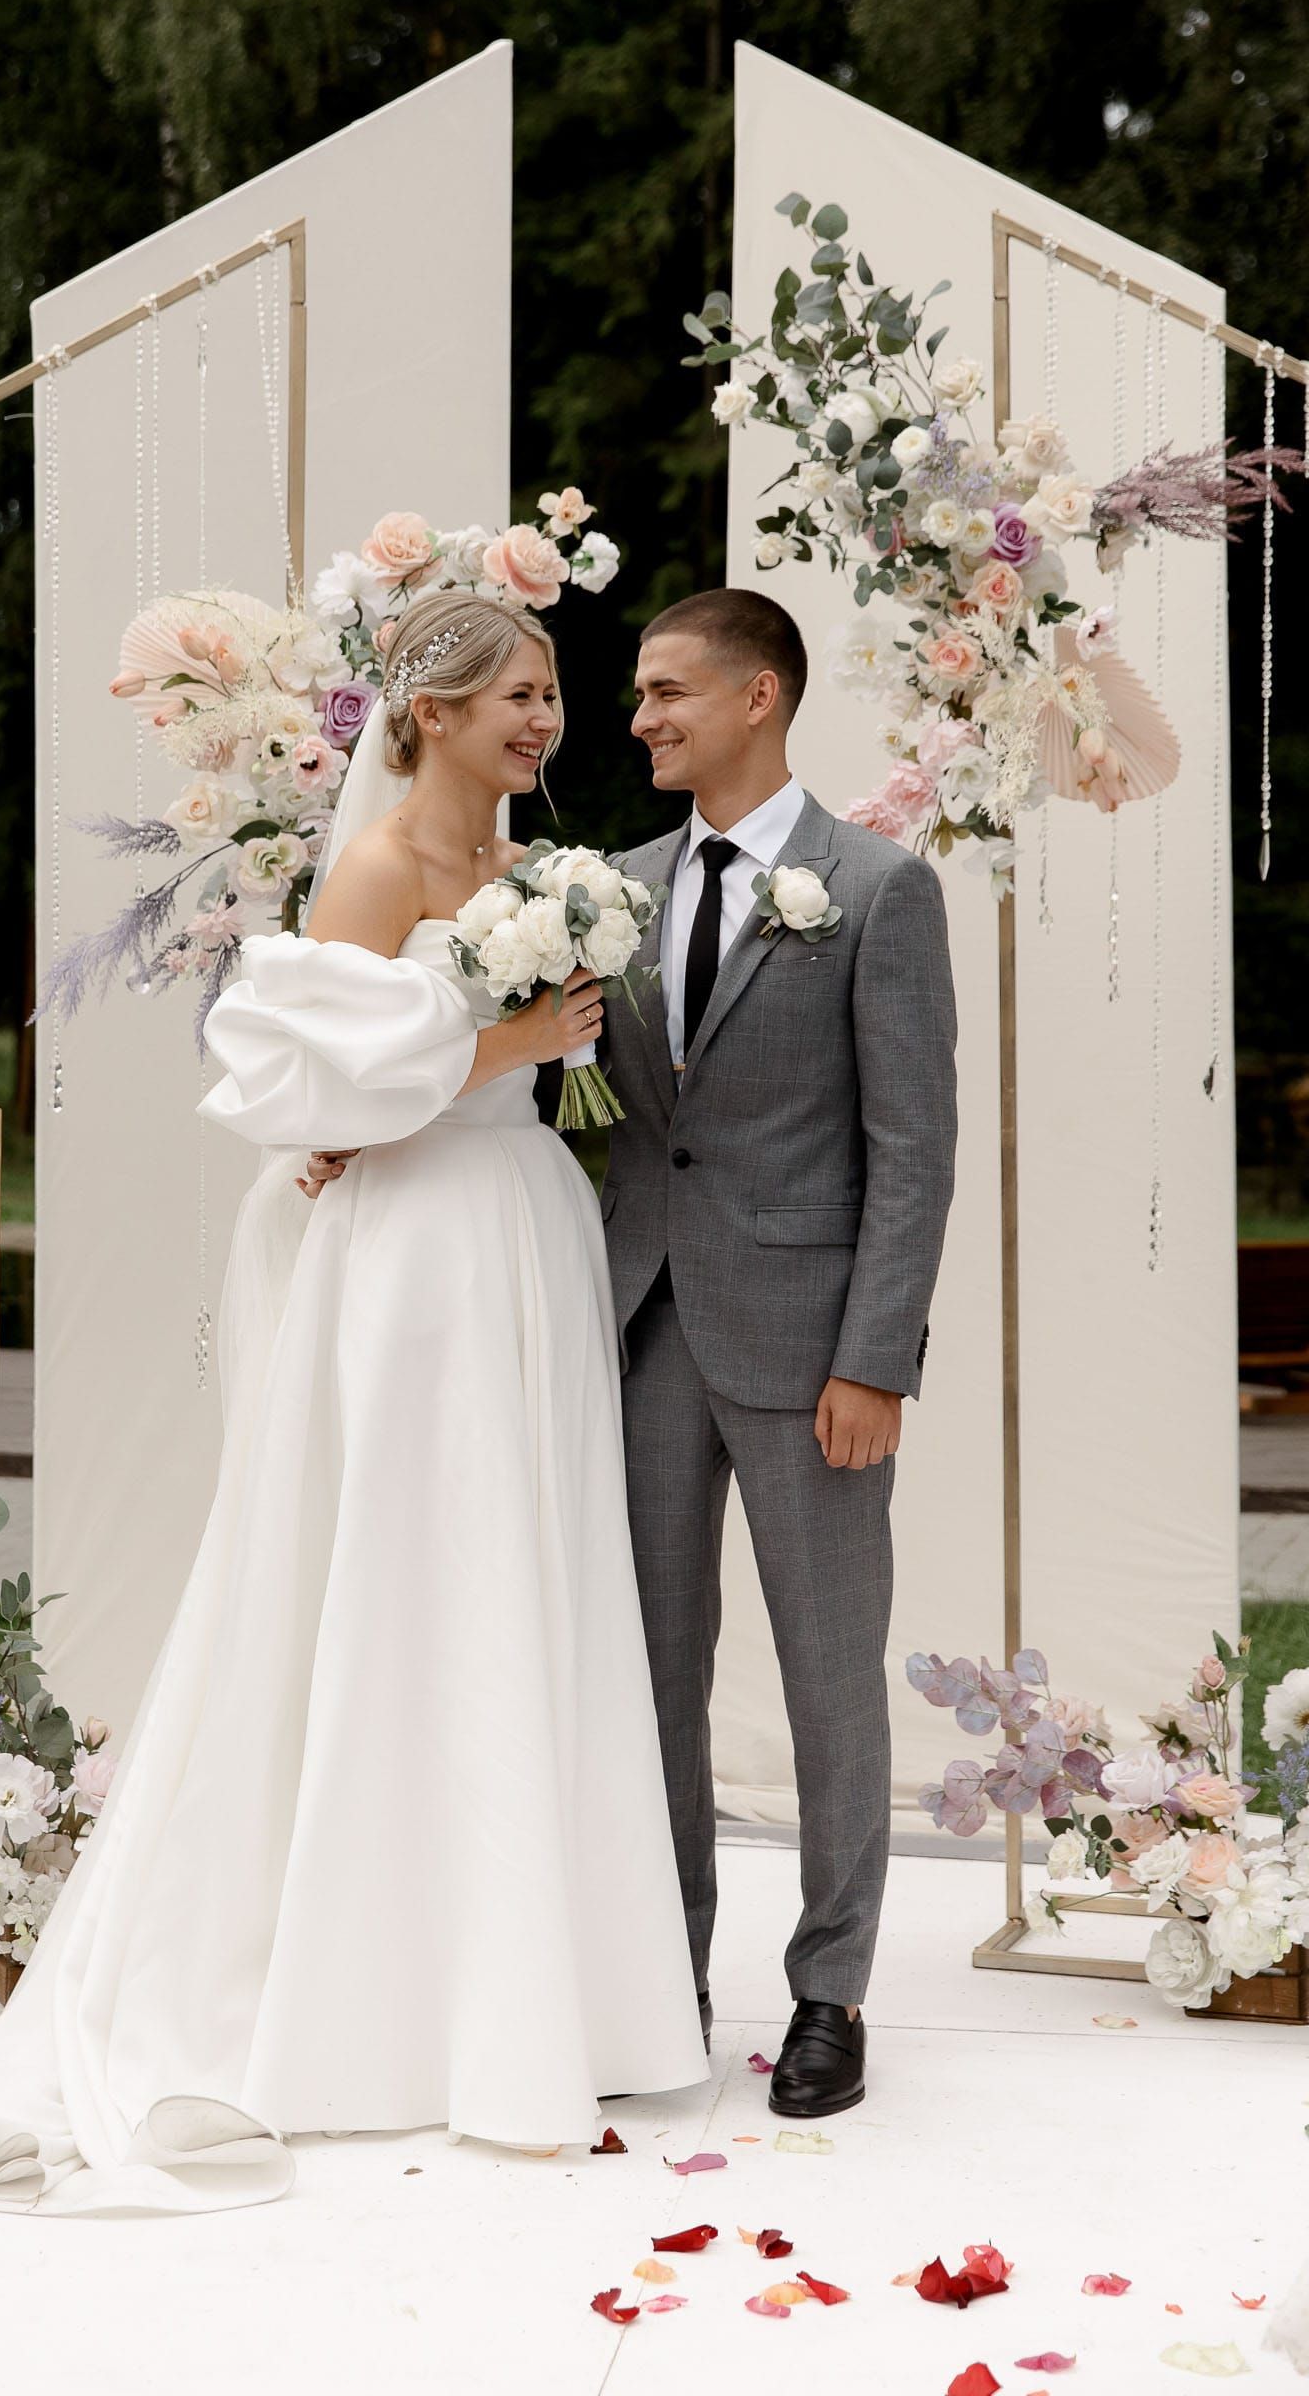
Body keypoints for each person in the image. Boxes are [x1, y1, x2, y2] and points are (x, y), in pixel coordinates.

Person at [0, 590, 708, 2216]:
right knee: (412, 1577)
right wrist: (509, 1047)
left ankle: (527, 1987)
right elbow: (318, 1080)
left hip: (526, 1233)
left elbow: (407, 1073)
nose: (545, 723)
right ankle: (368, 2002)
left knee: (525, 1579)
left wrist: (533, 1045)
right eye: (518, 697)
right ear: (428, 717)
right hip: (419, 1261)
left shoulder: (533, 876)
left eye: (554, 696)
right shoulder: (376, 869)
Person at [601, 586, 958, 2120]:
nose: (641, 719)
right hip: (638, 1329)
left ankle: (831, 1994)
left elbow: (914, 1146)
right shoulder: (609, 888)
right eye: (636, 695)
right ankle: (659, 1970)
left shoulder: (875, 888)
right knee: (648, 1674)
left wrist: (877, 1355)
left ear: (760, 696)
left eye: (669, 692)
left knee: (827, 1674)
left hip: (815, 1350)